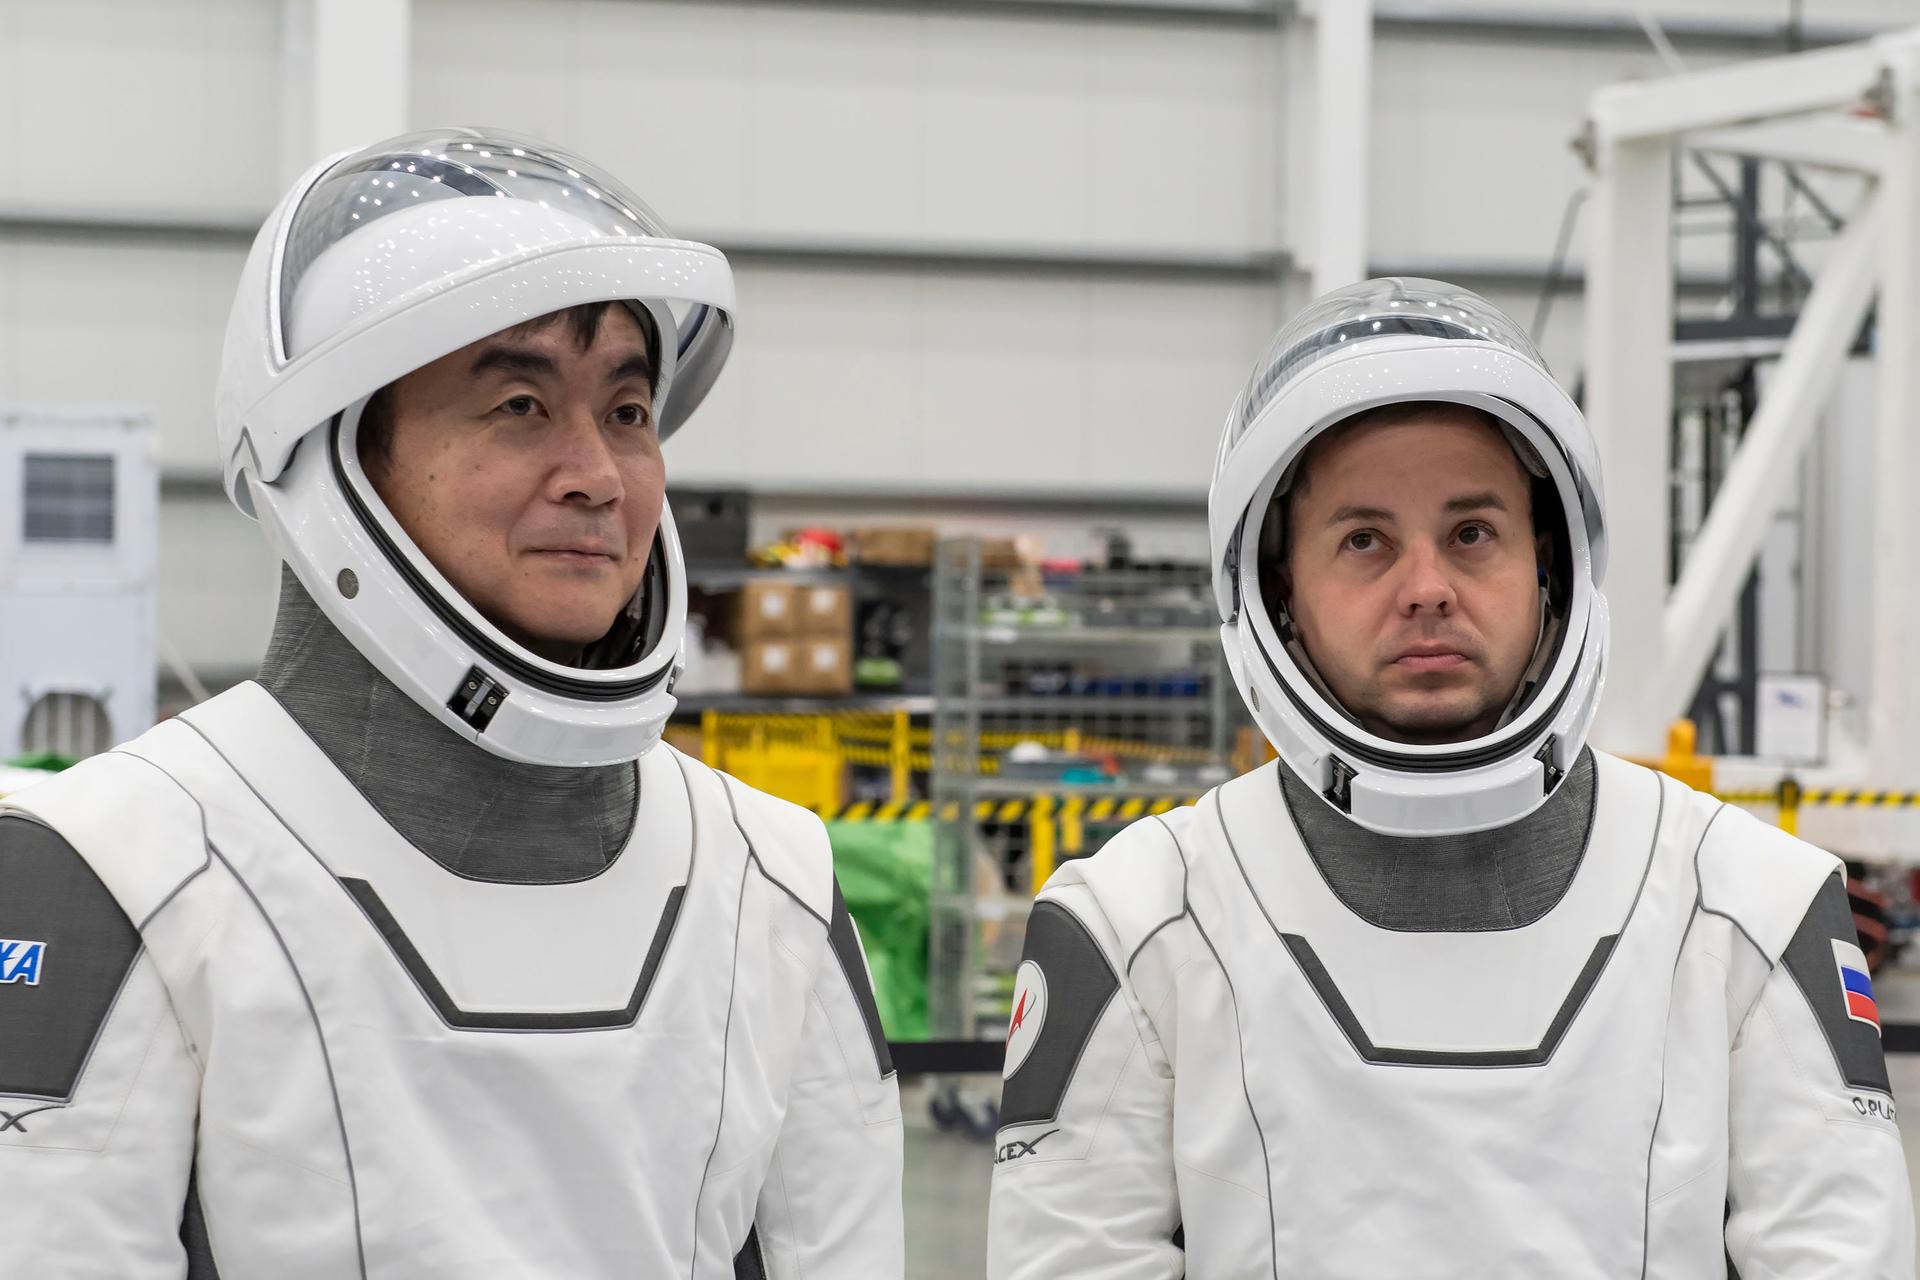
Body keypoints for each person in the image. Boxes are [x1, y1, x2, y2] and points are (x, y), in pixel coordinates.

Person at [0, 129, 904, 1278]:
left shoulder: (773, 880)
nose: (598, 473)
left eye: (627, 411)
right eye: (520, 404)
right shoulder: (114, 867)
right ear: (336, 456)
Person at [986, 277, 1913, 1277]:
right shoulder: (1132, 923)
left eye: (1472, 532)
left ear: (1548, 565)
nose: (1426, 588)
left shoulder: (1753, 907)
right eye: (1364, 541)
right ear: (1278, 588)